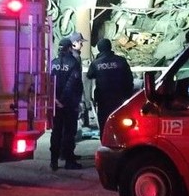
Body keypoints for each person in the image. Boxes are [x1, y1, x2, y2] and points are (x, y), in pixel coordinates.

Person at [87, 38, 135, 141]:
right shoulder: (121, 61)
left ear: (99, 49)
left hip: (103, 98)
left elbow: (89, 75)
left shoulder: (96, 63)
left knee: (104, 123)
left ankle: (105, 143)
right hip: (120, 98)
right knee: (120, 121)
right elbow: (129, 78)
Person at [49, 38, 84, 170]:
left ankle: (54, 161)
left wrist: (55, 100)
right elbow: (72, 84)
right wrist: (63, 101)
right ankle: (69, 161)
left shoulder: (53, 63)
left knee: (56, 131)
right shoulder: (73, 63)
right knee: (69, 132)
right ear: (70, 48)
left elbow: (49, 83)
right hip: (68, 103)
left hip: (55, 104)